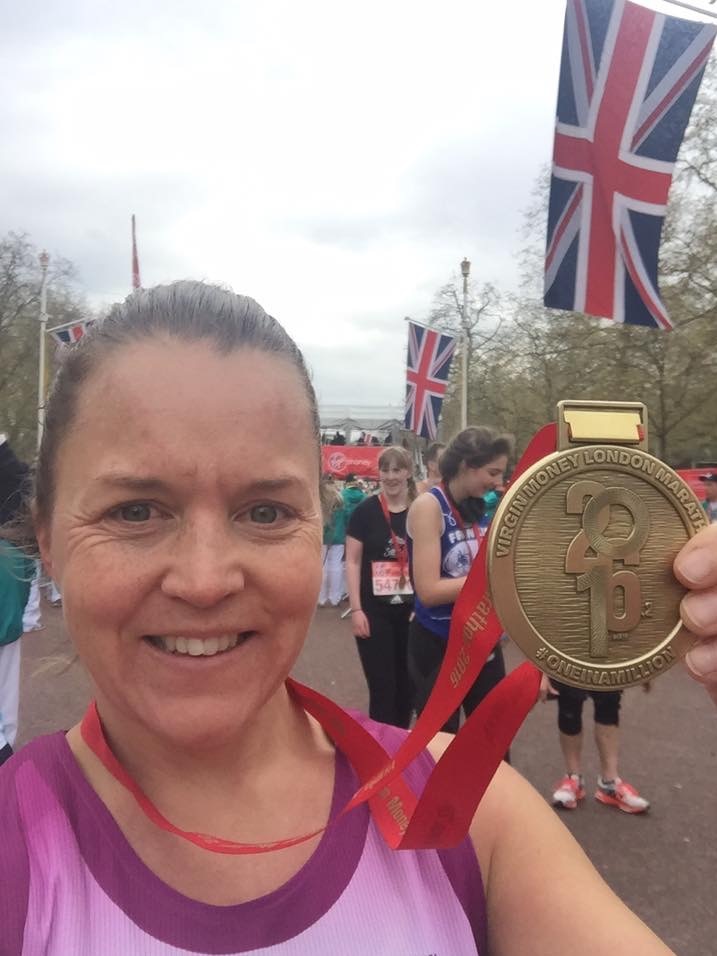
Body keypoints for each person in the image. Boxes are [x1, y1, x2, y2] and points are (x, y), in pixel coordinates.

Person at [1, 280, 717, 955]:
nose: (204, 580)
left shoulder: (472, 811)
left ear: (316, 518)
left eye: (264, 511)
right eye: (135, 511)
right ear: (47, 539)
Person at [407, 426, 510, 733]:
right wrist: (493, 580)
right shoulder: (429, 506)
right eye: (492, 472)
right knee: (440, 744)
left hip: (480, 635)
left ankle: (491, 785)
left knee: (492, 739)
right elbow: (428, 591)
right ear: (467, 466)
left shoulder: (480, 506)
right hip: (439, 641)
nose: (497, 482)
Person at [345, 447, 415, 728]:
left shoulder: (420, 510)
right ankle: (382, 754)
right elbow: (352, 561)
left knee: (409, 686)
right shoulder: (365, 511)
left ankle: (402, 746)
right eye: (385, 470)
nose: (391, 476)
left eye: (397, 470)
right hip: (374, 613)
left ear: (408, 472)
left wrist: (424, 606)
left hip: (412, 613)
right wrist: (356, 609)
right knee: (382, 687)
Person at [542, 679, 649, 813]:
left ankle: (609, 785)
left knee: (609, 702)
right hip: (570, 660)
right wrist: (542, 673)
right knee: (569, 702)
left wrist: (645, 669)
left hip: (611, 659)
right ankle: (573, 778)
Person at [0, 436, 33, 766]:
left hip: (8, 627)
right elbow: (27, 596)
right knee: (7, 700)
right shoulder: (17, 555)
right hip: (10, 630)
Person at [318, 476, 345, 608]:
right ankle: (335, 597)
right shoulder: (340, 499)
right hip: (339, 537)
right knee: (336, 567)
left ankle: (321, 597)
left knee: (322, 567)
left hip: (322, 537)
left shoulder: (321, 499)